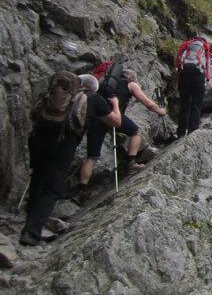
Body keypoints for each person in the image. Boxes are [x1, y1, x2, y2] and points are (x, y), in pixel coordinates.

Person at [20, 74, 120, 245]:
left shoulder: (57, 93)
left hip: (38, 138)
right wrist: (116, 105)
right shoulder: (93, 98)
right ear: (92, 87)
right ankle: (32, 232)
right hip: (63, 144)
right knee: (53, 187)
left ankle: (31, 219)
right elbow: (116, 122)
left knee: (38, 176)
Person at [79, 68, 166, 184]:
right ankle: (131, 164)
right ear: (131, 77)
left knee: (91, 156)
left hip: (97, 117)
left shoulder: (106, 84)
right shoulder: (130, 84)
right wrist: (160, 111)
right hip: (114, 116)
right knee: (135, 132)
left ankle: (81, 186)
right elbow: (147, 103)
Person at [175, 35, 212, 137]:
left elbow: (178, 63)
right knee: (196, 106)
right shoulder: (205, 46)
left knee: (184, 106)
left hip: (184, 77)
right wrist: (207, 79)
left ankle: (180, 133)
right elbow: (207, 65)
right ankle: (193, 131)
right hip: (198, 79)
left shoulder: (186, 45)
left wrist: (177, 81)